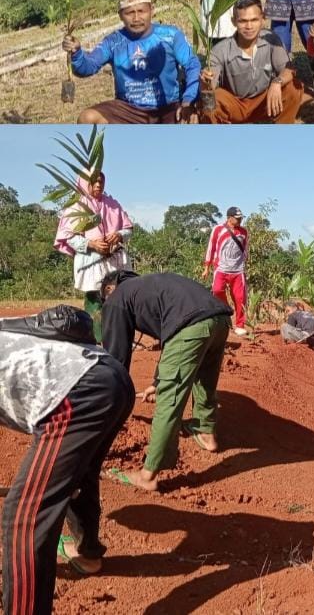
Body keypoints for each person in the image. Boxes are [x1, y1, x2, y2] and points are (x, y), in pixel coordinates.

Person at [0, 306, 135, 613]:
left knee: (23, 517)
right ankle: (87, 554)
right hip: (109, 375)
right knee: (80, 472)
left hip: (77, 393)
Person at [100, 270, 233, 491]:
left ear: (109, 289)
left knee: (169, 402)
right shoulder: (152, 284)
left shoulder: (117, 297)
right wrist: (157, 382)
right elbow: (173, 331)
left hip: (191, 327)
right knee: (205, 381)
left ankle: (148, 475)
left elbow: (116, 360)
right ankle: (205, 431)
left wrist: (112, 400)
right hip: (219, 320)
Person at [63, 0, 200, 125]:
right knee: (88, 118)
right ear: (120, 15)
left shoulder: (170, 36)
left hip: (169, 107)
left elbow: (192, 64)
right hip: (129, 111)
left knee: (196, 119)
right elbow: (88, 67)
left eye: (141, 11)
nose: (136, 18)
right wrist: (76, 53)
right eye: (129, 13)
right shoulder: (114, 42)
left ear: (152, 10)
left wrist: (188, 100)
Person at [53, 172, 133, 341]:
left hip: (114, 260)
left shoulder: (113, 204)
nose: (98, 185)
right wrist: (92, 244)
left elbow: (128, 228)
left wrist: (118, 235)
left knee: (119, 300)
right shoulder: (77, 207)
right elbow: (68, 237)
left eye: (101, 181)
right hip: (92, 263)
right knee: (94, 301)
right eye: (94, 181)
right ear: (84, 183)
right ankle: (96, 339)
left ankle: (119, 338)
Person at [201, 0, 304, 124]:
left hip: (264, 102)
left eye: (254, 20)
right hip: (235, 103)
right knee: (212, 99)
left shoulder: (271, 39)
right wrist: (206, 82)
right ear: (234, 21)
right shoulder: (220, 50)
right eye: (243, 21)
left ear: (262, 19)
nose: (249, 26)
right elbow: (211, 84)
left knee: (293, 88)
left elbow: (289, 69)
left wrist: (277, 82)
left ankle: (281, 133)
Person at [203, 207, 249, 336]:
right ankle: (226, 311)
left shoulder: (244, 232)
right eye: (237, 218)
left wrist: (244, 263)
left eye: (241, 218)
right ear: (229, 218)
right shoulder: (218, 230)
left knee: (240, 297)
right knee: (217, 291)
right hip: (221, 268)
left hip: (238, 270)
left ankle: (240, 324)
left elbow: (245, 249)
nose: (240, 220)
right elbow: (211, 247)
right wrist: (207, 267)